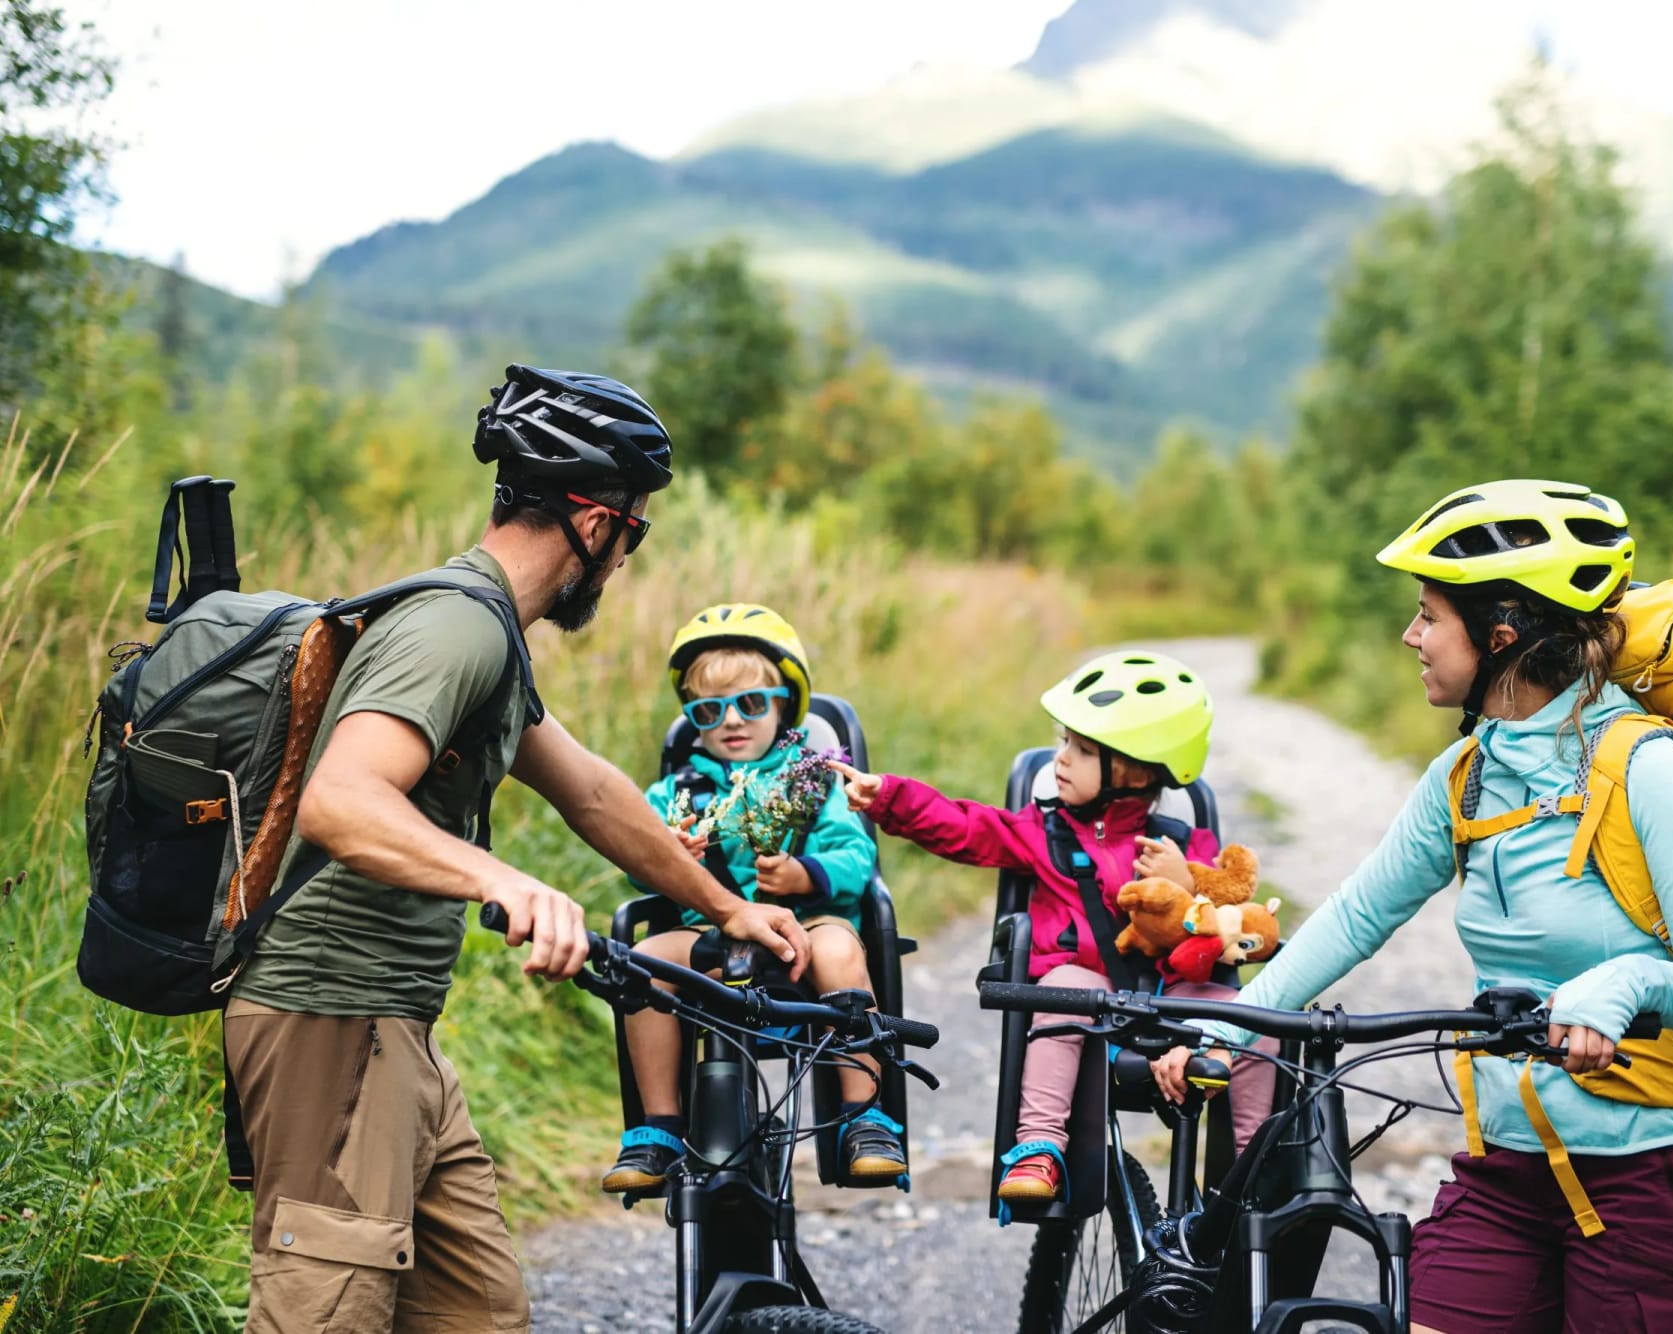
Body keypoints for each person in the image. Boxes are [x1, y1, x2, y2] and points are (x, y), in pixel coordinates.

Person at [222, 367, 812, 1333]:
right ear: (592, 518)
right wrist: (504, 880)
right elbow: (340, 798)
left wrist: (726, 907)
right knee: (322, 1314)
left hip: (397, 1026)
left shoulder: (493, 632)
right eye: (634, 528)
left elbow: (590, 791)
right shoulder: (457, 626)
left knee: (477, 1314)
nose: (627, 557)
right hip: (328, 1012)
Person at [1150, 480, 1673, 1332]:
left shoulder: (1648, 770)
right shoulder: (1464, 777)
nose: (1412, 636)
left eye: (1430, 615)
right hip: (1507, 1172)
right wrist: (1233, 1023)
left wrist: (1623, 986)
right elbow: (1358, 916)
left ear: (1502, 632)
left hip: (1654, 1180)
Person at [831, 650, 1278, 1205]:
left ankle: (1250, 1170)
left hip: (1174, 996)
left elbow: (1228, 916)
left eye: (1081, 749)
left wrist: (1184, 877)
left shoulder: (1181, 843)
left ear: (1136, 771)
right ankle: (1040, 1147)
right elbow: (967, 827)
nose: (1060, 758)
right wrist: (892, 798)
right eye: (1063, 741)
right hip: (1091, 1005)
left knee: (1257, 1018)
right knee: (1068, 985)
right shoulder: (1044, 833)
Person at [600, 602, 906, 1193]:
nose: (732, 721)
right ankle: (658, 1128)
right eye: (709, 710)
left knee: (840, 952)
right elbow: (638, 868)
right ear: (693, 718)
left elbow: (856, 857)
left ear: (784, 705)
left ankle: (862, 1118)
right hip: (710, 937)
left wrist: (804, 874)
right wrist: (668, 859)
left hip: (806, 929)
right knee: (644, 964)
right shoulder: (675, 792)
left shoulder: (814, 775)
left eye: (751, 704)